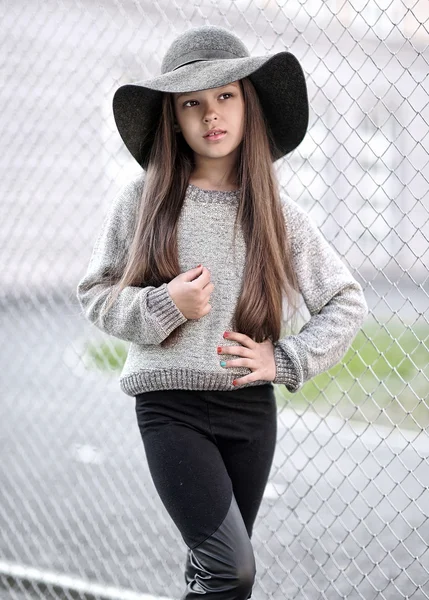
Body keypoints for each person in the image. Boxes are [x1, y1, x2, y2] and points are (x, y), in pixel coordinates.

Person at [76, 24, 368, 600]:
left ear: (247, 105)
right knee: (231, 569)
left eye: (225, 96)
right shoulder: (143, 201)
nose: (211, 115)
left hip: (249, 416)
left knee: (214, 574)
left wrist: (283, 359)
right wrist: (164, 304)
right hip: (171, 410)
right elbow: (96, 292)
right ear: (174, 118)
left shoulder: (277, 214)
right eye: (193, 103)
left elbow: (346, 300)